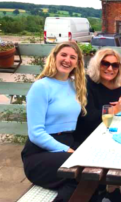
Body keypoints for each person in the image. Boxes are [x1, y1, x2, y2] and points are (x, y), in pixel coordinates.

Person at [21, 41, 91, 202]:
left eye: (73, 57)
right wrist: (66, 150)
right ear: (54, 57)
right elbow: (36, 133)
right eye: (64, 55)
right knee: (83, 172)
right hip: (40, 153)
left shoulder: (76, 86)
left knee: (94, 169)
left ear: (77, 63)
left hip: (67, 144)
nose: (67, 60)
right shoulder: (41, 87)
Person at [73, 48, 121, 202]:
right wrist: (115, 109)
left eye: (115, 65)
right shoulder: (87, 83)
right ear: (97, 64)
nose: (110, 68)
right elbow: (88, 117)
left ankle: (111, 187)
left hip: (108, 131)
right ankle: (102, 189)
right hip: (86, 136)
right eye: (105, 63)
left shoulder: (120, 84)